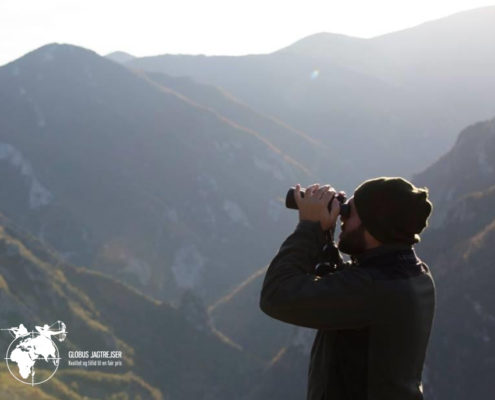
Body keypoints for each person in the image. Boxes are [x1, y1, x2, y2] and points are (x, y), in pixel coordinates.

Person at [259, 177, 436, 400]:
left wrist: (309, 228)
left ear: (374, 225)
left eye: (349, 213)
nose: (342, 218)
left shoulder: (374, 288)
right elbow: (345, 286)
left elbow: (276, 295)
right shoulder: (414, 273)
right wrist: (325, 237)